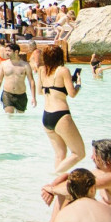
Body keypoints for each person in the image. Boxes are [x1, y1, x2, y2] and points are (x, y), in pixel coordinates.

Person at [40, 45, 85, 173]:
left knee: (60, 154)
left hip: (46, 116)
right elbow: (72, 94)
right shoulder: (63, 70)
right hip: (60, 115)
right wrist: (78, 84)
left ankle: (56, 182)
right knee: (79, 153)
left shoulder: (42, 70)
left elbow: (39, 91)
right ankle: (54, 175)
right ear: (60, 56)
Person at [0, 42, 36, 114]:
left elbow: (31, 81)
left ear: (16, 52)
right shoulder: (3, 64)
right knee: (9, 116)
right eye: (6, 51)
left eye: (9, 51)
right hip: (7, 94)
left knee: (20, 118)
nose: (6, 53)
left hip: (21, 95)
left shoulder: (25, 65)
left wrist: (33, 97)